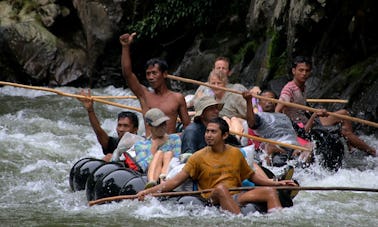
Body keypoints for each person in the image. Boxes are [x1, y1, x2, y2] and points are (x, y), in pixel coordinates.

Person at [137, 117, 297, 215]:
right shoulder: (198, 157)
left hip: (236, 196)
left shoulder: (235, 153)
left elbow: (252, 176)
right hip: (211, 198)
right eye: (207, 131)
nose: (208, 135)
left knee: (269, 192)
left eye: (213, 132)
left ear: (225, 135)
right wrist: (148, 192)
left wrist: (276, 184)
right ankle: (240, 222)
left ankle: (278, 219)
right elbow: (173, 182)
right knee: (221, 189)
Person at [275, 56, 376, 156]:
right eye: (301, 70)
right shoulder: (288, 89)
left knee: (343, 114)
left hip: (309, 120)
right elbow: (277, 110)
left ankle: (350, 144)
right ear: (294, 71)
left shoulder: (302, 86)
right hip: (301, 127)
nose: (304, 74)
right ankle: (372, 151)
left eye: (307, 70)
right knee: (342, 123)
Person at [119, 32, 190, 136]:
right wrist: (125, 47)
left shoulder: (177, 98)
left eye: (154, 73)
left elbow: (187, 126)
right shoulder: (144, 95)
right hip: (150, 144)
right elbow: (127, 74)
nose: (151, 77)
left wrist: (179, 138)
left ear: (164, 74)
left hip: (170, 145)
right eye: (148, 74)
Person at [243, 90, 314, 166]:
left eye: (271, 98)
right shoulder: (259, 116)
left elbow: (303, 133)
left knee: (311, 145)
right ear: (259, 103)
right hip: (276, 148)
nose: (269, 101)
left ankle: (301, 165)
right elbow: (251, 123)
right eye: (265, 99)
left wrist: (314, 115)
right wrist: (249, 101)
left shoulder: (285, 117)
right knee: (269, 146)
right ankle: (284, 167)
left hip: (294, 147)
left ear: (276, 101)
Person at [77, 89, 139, 162]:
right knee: (108, 157)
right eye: (119, 125)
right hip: (116, 171)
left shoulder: (143, 145)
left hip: (134, 171)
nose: (121, 129)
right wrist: (90, 110)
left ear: (135, 129)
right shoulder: (114, 144)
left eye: (126, 126)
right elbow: (98, 130)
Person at [134, 108, 181, 188]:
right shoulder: (140, 145)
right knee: (159, 153)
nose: (162, 127)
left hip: (170, 172)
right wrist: (155, 147)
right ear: (149, 126)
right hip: (149, 174)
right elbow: (143, 167)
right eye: (158, 125)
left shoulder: (174, 138)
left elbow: (177, 159)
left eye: (164, 124)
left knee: (168, 153)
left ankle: (164, 180)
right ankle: (152, 182)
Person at [189, 56, 261, 108]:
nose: (220, 70)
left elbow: (250, 96)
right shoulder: (204, 86)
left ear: (229, 72)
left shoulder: (237, 87)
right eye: (218, 68)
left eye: (223, 68)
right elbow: (192, 103)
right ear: (213, 70)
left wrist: (255, 88)